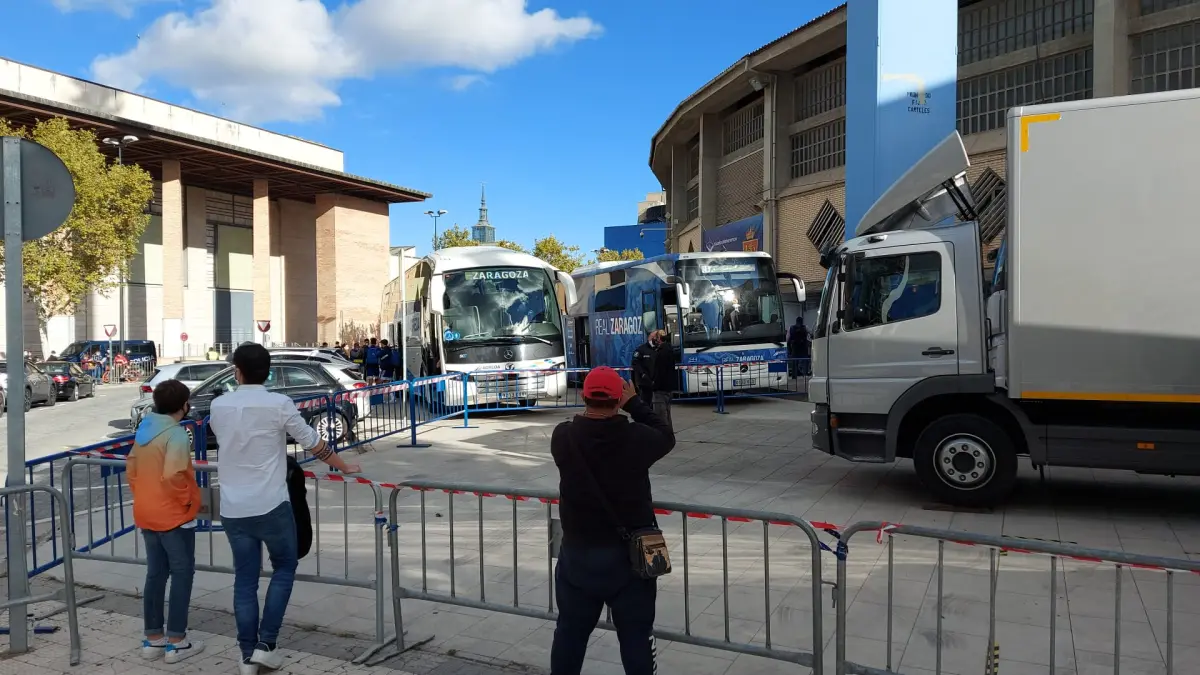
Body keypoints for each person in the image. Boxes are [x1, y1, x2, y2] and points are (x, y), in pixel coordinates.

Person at [209, 344, 362, 675]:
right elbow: (312, 441)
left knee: (245, 580)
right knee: (284, 567)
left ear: (237, 372)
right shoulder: (279, 404)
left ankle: (246, 656)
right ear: (268, 373)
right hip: (272, 505)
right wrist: (343, 465)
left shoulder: (219, 405)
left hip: (234, 508)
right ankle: (266, 644)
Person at [549, 366, 676, 675]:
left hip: (578, 557)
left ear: (584, 396)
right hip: (629, 561)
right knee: (635, 637)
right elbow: (666, 435)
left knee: (570, 634)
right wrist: (635, 403)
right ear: (619, 400)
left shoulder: (563, 437)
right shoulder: (636, 438)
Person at [126, 379, 204, 663]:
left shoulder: (144, 431)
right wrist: (187, 501)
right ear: (184, 405)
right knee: (182, 574)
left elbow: (131, 469)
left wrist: (145, 495)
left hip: (146, 511)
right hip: (174, 515)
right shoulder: (176, 434)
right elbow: (173, 474)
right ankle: (177, 640)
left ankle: (153, 638)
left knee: (156, 574)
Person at [630, 330, 676, 430]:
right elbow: (635, 363)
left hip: (657, 385)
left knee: (660, 411)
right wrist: (642, 375)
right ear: (650, 338)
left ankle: (658, 430)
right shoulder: (641, 349)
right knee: (646, 407)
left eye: (657, 337)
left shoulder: (660, 350)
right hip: (646, 385)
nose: (656, 339)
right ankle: (645, 428)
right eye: (654, 337)